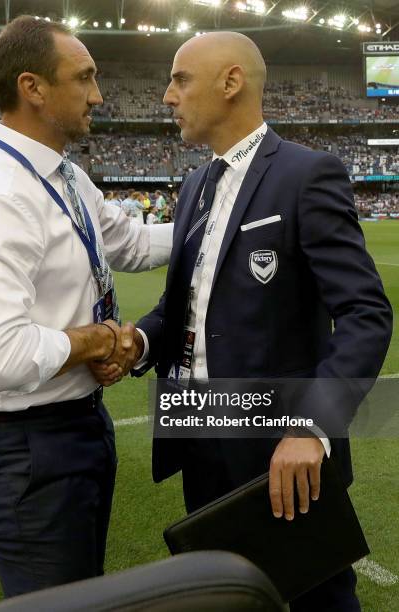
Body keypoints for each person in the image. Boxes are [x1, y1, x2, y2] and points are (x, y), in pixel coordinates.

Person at [132, 32, 392, 611]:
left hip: (279, 443)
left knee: (317, 597)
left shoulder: (306, 174)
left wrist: (313, 426)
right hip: (198, 432)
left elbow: (364, 313)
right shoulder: (196, 185)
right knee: (229, 598)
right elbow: (188, 306)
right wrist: (141, 340)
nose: (168, 96)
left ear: (231, 82)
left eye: (180, 79)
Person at [0, 16, 171, 599]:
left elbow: (136, 245)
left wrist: (225, 208)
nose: (98, 94)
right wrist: (96, 340)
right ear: (33, 87)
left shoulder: (64, 175)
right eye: (85, 77)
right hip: (23, 448)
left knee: (80, 594)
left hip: (74, 425)